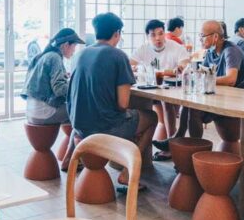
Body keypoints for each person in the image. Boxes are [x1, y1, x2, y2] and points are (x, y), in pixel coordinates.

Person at [67, 12, 156, 162]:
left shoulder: (79, 55)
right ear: (117, 33)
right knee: (152, 117)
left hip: (79, 125)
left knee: (125, 116)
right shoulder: (118, 56)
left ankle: (68, 159)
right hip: (105, 128)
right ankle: (129, 170)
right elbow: (123, 104)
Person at [131, 19, 191, 159]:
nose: (158, 38)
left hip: (174, 87)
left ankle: (171, 144)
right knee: (141, 104)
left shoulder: (175, 47)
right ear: (147, 36)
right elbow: (129, 64)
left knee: (167, 105)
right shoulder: (143, 48)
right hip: (150, 87)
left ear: (165, 33)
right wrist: (136, 68)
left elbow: (183, 67)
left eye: (160, 33)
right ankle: (148, 148)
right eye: (153, 35)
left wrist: (163, 72)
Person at [22, 27, 84, 125]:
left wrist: (64, 77)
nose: (74, 51)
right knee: (84, 110)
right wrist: (77, 84)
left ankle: (70, 140)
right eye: (74, 46)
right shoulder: (55, 57)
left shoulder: (44, 56)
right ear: (66, 45)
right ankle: (86, 140)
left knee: (74, 111)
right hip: (44, 113)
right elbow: (59, 89)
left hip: (31, 112)